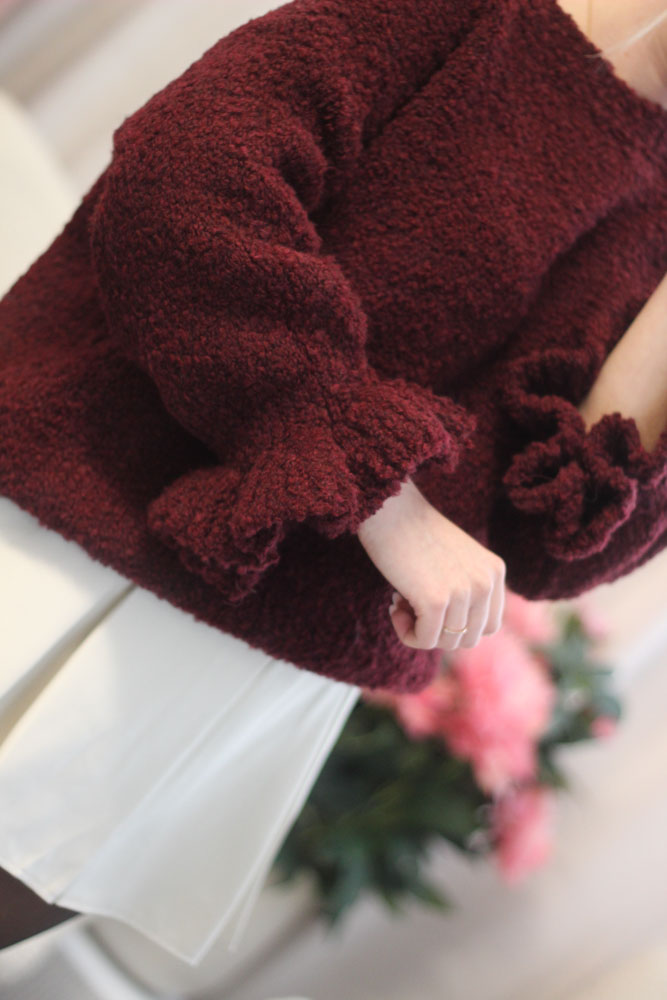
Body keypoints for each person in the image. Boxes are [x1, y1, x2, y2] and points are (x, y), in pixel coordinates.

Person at [1, 0, 666, 961]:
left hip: (247, 675)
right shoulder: (475, 19)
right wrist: (380, 498)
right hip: (79, 508)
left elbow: (550, 544)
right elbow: (185, 186)